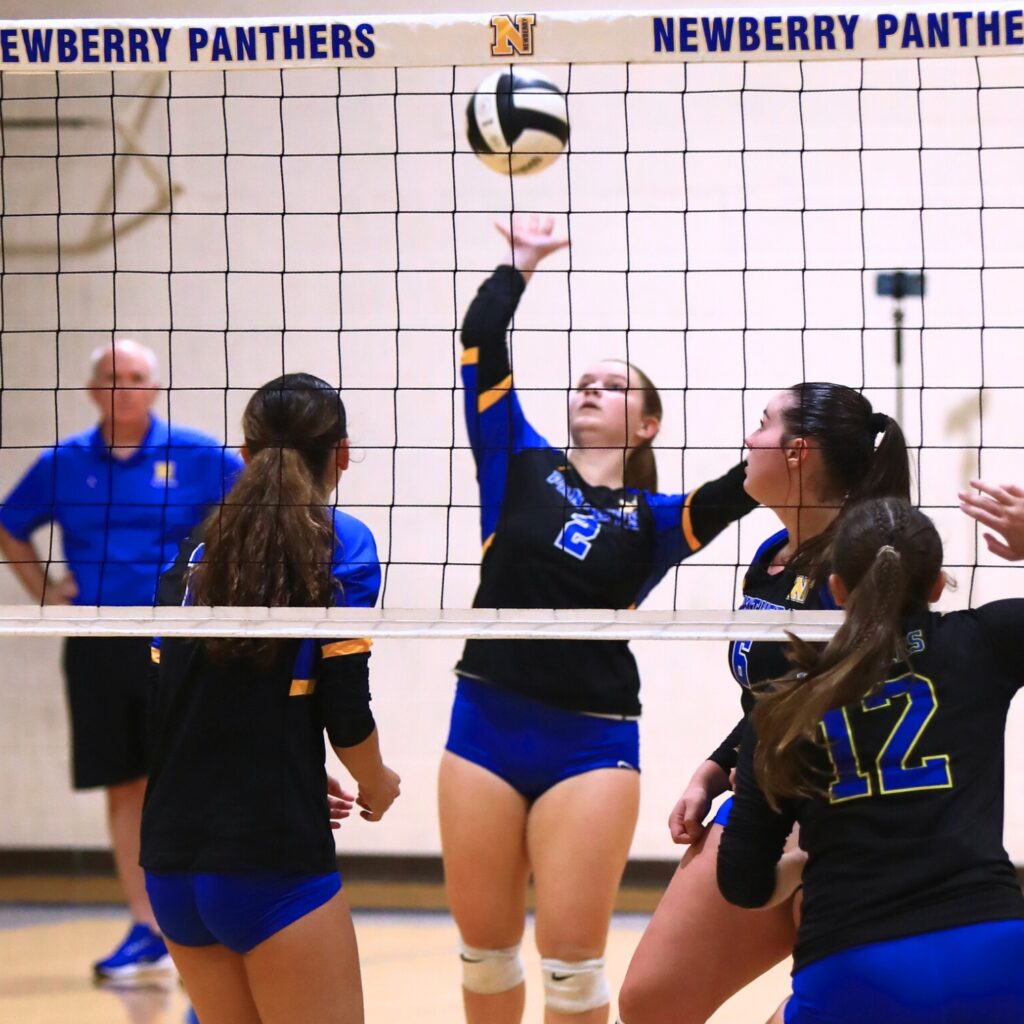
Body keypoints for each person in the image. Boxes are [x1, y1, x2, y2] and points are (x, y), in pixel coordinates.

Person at [440, 215, 758, 1024]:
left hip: (590, 740)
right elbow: (481, 340)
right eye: (585, 381)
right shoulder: (518, 459)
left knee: (574, 970)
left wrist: (793, 432)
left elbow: (740, 490)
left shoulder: (655, 519)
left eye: (614, 386)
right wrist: (520, 264)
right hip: (484, 722)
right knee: (484, 954)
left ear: (647, 425)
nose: (591, 388)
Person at [618, 383, 911, 1024]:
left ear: (798, 451)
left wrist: (815, 835)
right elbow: (771, 699)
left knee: (834, 1007)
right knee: (651, 1003)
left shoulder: (864, 566)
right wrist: (714, 768)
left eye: (761, 424)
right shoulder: (771, 558)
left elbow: (889, 703)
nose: (749, 441)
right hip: (760, 799)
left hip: (849, 818)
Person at [140, 372, 401, 1024]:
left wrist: (296, 766)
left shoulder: (194, 549)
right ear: (341, 454)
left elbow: (174, 699)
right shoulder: (342, 541)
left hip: (171, 860)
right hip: (271, 860)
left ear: (246, 453)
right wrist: (376, 782)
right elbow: (346, 710)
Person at [716, 494, 1024, 1024]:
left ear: (835, 589)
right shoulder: (988, 642)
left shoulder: (784, 707)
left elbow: (742, 882)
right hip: (993, 953)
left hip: (854, 967)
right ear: (937, 585)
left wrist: (801, 864)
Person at [0, 339, 243, 980]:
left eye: (136, 377)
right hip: (98, 641)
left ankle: (206, 922)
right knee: (124, 782)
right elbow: (9, 523)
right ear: (91, 390)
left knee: (191, 773)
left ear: (154, 389)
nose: (123, 387)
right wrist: (45, 592)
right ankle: (148, 928)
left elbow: (256, 513)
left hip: (180, 641)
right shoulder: (62, 463)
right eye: (112, 377)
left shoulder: (197, 455)